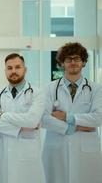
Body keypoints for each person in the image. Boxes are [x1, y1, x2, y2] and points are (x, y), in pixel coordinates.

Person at [42, 42, 102, 183]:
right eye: (68, 59)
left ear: (84, 62)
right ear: (62, 63)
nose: (73, 62)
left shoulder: (96, 89)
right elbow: (44, 119)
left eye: (77, 58)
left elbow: (98, 118)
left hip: (86, 153)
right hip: (56, 150)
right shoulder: (49, 89)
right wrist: (75, 127)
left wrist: (66, 117)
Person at [0, 53, 46, 183]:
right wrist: (20, 128)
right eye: (10, 68)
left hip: (26, 158)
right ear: (5, 71)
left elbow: (32, 120)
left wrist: (3, 115)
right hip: (1, 156)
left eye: (17, 67)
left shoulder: (37, 93)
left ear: (25, 69)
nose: (13, 71)